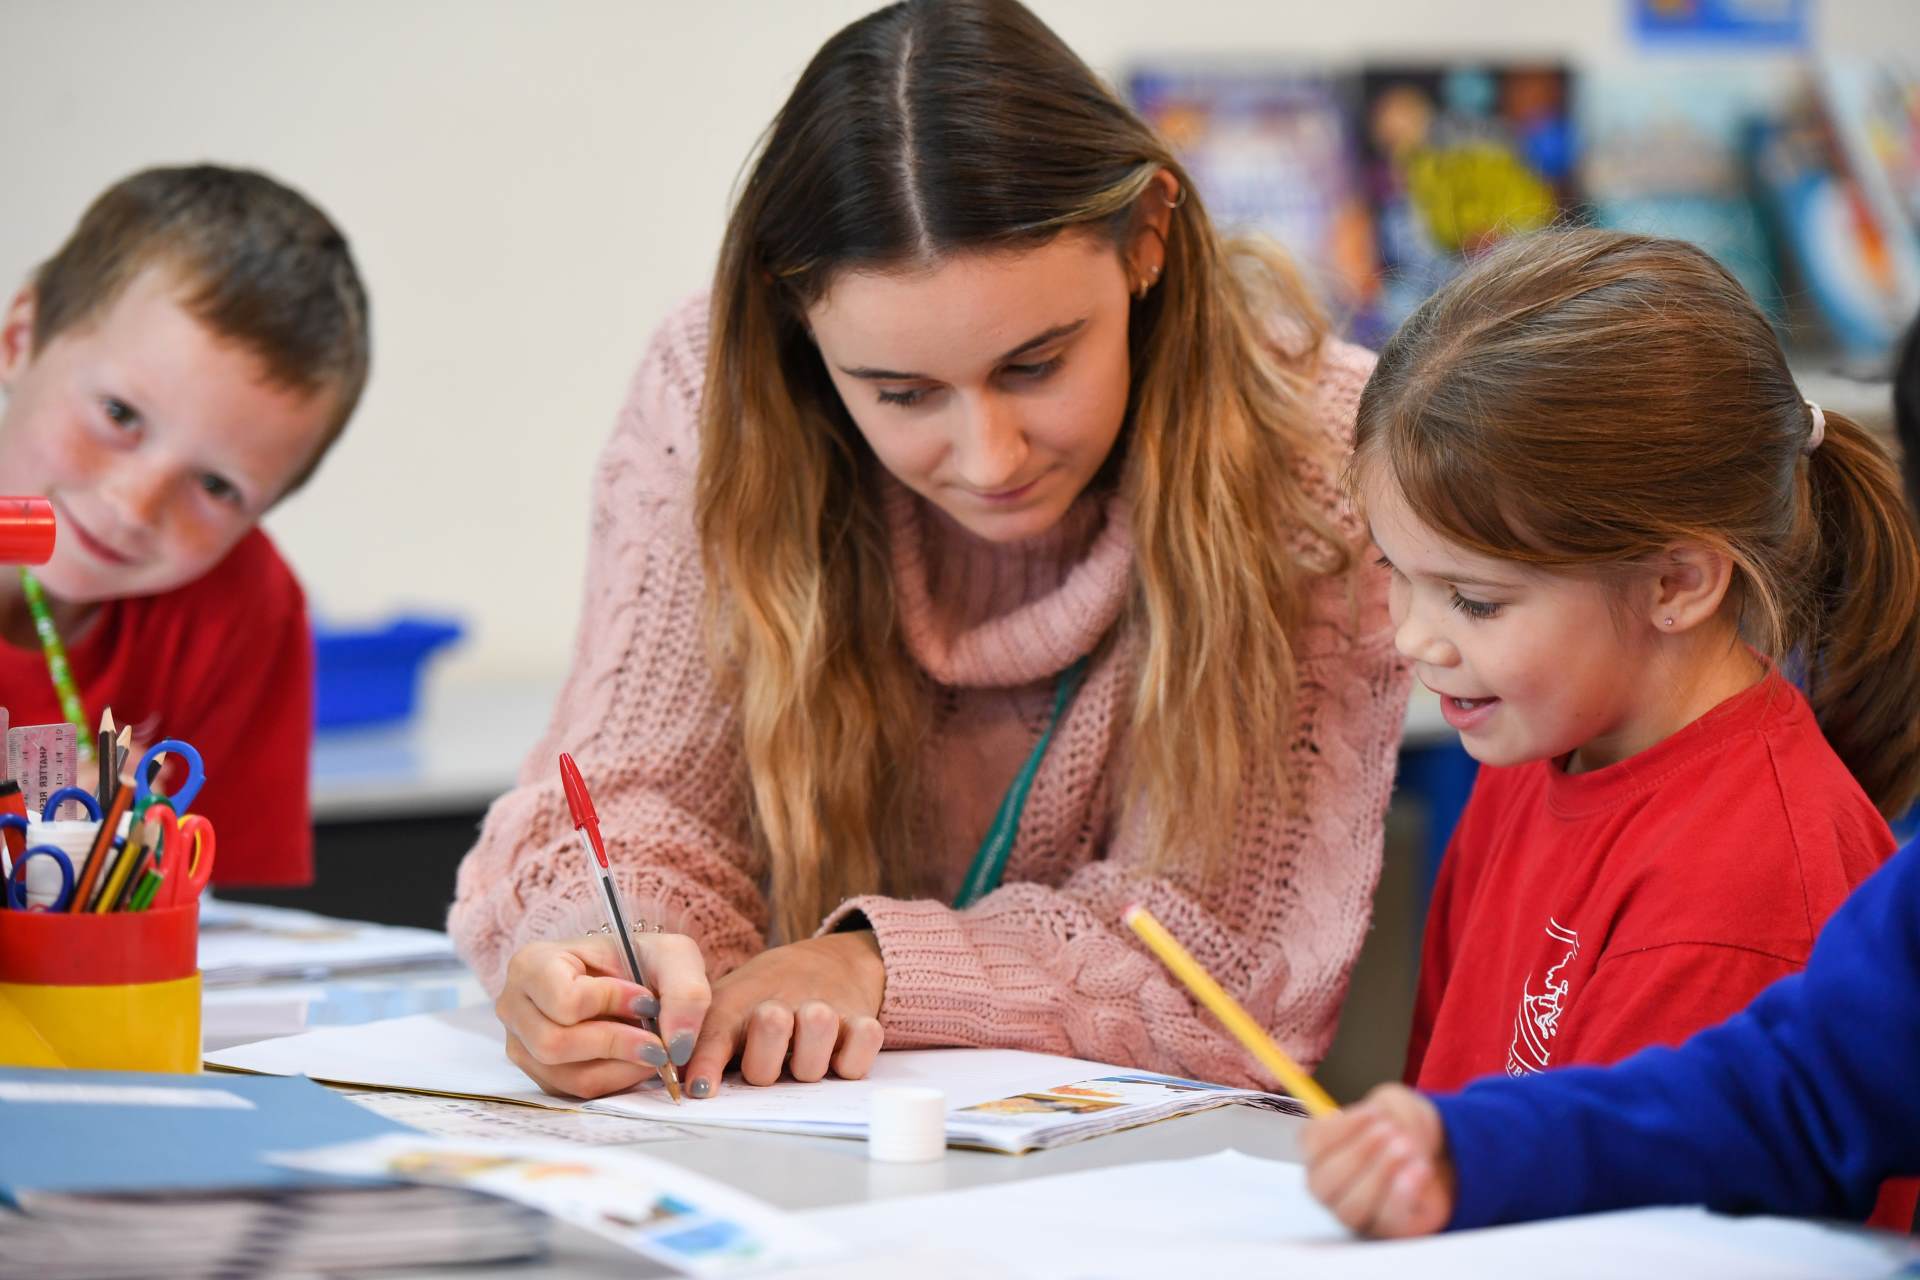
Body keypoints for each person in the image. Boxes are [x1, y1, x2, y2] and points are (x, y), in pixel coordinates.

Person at [450, 0, 1408, 1103]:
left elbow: (1223, 961)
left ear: (1147, 235)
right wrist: (603, 952)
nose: (989, 456)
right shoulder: (713, 397)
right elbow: (632, 793)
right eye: (901, 393)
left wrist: (868, 964)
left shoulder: (1322, 453)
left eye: (1038, 364)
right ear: (795, 318)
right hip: (783, 1146)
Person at [1349, 227, 1920, 1229]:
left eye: (1472, 600)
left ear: (1676, 581)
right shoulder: (1536, 742)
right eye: (1397, 573)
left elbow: (1639, 1237)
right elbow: (1441, 1120)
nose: (1412, 639)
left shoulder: (1744, 893)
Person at [0, 164, 371, 885]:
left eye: (216, 486)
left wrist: (136, 874)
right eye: (119, 414)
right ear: (19, 342)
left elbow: (237, 929)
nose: (135, 506)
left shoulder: (245, 608)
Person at [1299, 835, 1920, 1237]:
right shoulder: (1519, 758)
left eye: (1480, 615)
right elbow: (1798, 1095)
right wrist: (1474, 1150)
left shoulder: (1746, 874)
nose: (1415, 644)